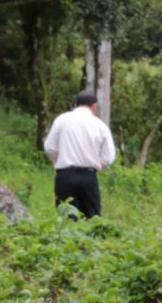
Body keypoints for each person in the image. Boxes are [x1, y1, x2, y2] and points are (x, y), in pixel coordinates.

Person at [43, 90, 116, 218]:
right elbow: (109, 157)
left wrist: (60, 160)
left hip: (65, 176)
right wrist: (96, 165)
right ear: (94, 106)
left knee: (67, 218)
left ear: (75, 104)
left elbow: (49, 147)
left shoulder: (61, 120)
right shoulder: (100, 125)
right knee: (93, 219)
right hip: (88, 177)